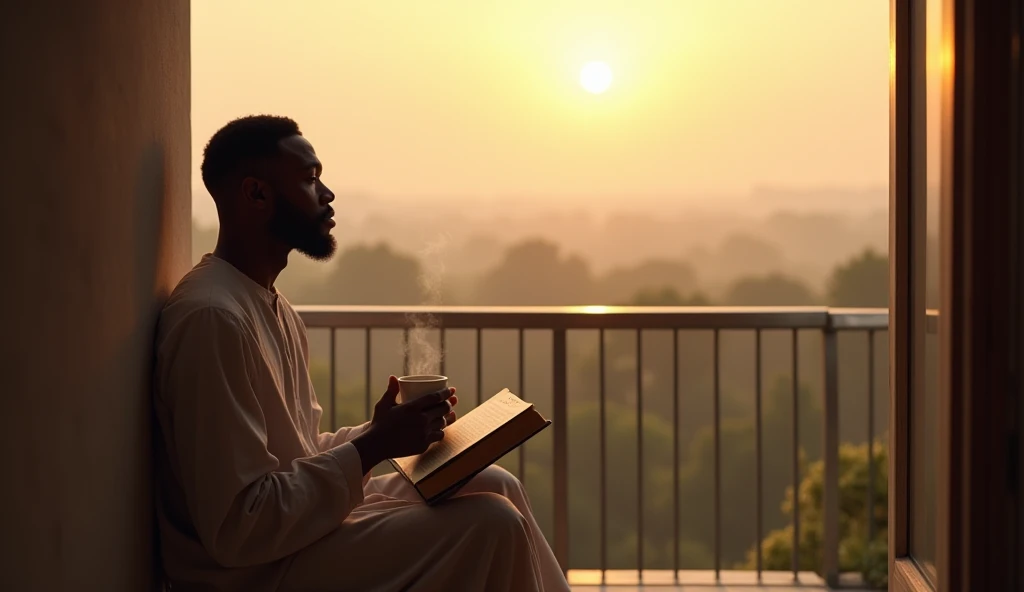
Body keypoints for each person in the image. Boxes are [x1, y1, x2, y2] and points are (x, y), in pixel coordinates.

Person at [153, 115, 569, 592]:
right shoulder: (212, 318)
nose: (327, 195)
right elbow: (240, 526)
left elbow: (298, 453)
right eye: (310, 180)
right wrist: (374, 446)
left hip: (295, 537)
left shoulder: (271, 304)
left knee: (494, 484)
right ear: (256, 194)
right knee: (491, 522)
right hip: (255, 571)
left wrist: (384, 430)